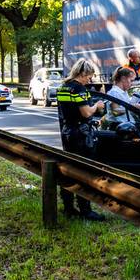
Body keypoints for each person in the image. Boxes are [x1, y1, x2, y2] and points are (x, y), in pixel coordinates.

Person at [55, 60, 107, 220]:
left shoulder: (63, 87)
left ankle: (69, 207)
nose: (89, 80)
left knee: (68, 169)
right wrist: (97, 106)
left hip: (67, 132)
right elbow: (86, 112)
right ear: (83, 73)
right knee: (84, 171)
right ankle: (86, 210)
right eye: (89, 77)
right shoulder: (79, 89)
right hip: (81, 134)